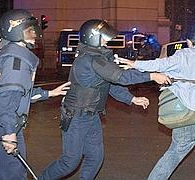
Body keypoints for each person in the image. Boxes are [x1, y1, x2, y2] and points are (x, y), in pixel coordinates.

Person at [39, 19, 171, 180]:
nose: (108, 41)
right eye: (104, 37)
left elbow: (110, 84)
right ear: (93, 37)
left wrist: (131, 99)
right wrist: (151, 75)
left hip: (91, 115)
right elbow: (121, 76)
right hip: (76, 116)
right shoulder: (90, 59)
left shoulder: (99, 57)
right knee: (70, 162)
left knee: (95, 158)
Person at [119, 26, 195, 179]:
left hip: (184, 117)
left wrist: (135, 64)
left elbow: (159, 65)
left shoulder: (183, 55)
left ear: (188, 41)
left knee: (173, 155)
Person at [0, 9, 70, 180]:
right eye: (29, 30)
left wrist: (49, 93)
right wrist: (9, 133)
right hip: (5, 124)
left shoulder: (9, 53)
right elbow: (9, 98)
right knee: (14, 175)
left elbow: (20, 95)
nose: (34, 35)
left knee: (10, 173)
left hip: (1, 122)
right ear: (15, 31)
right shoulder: (17, 60)